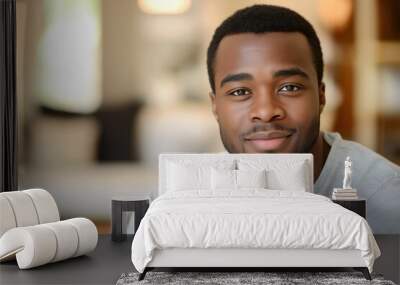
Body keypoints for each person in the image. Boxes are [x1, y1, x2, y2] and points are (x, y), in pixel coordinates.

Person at [206, 4, 400, 234]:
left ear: (321, 95)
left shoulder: (387, 196)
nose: (266, 111)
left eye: (289, 87)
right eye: (240, 92)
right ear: (215, 106)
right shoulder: (188, 197)